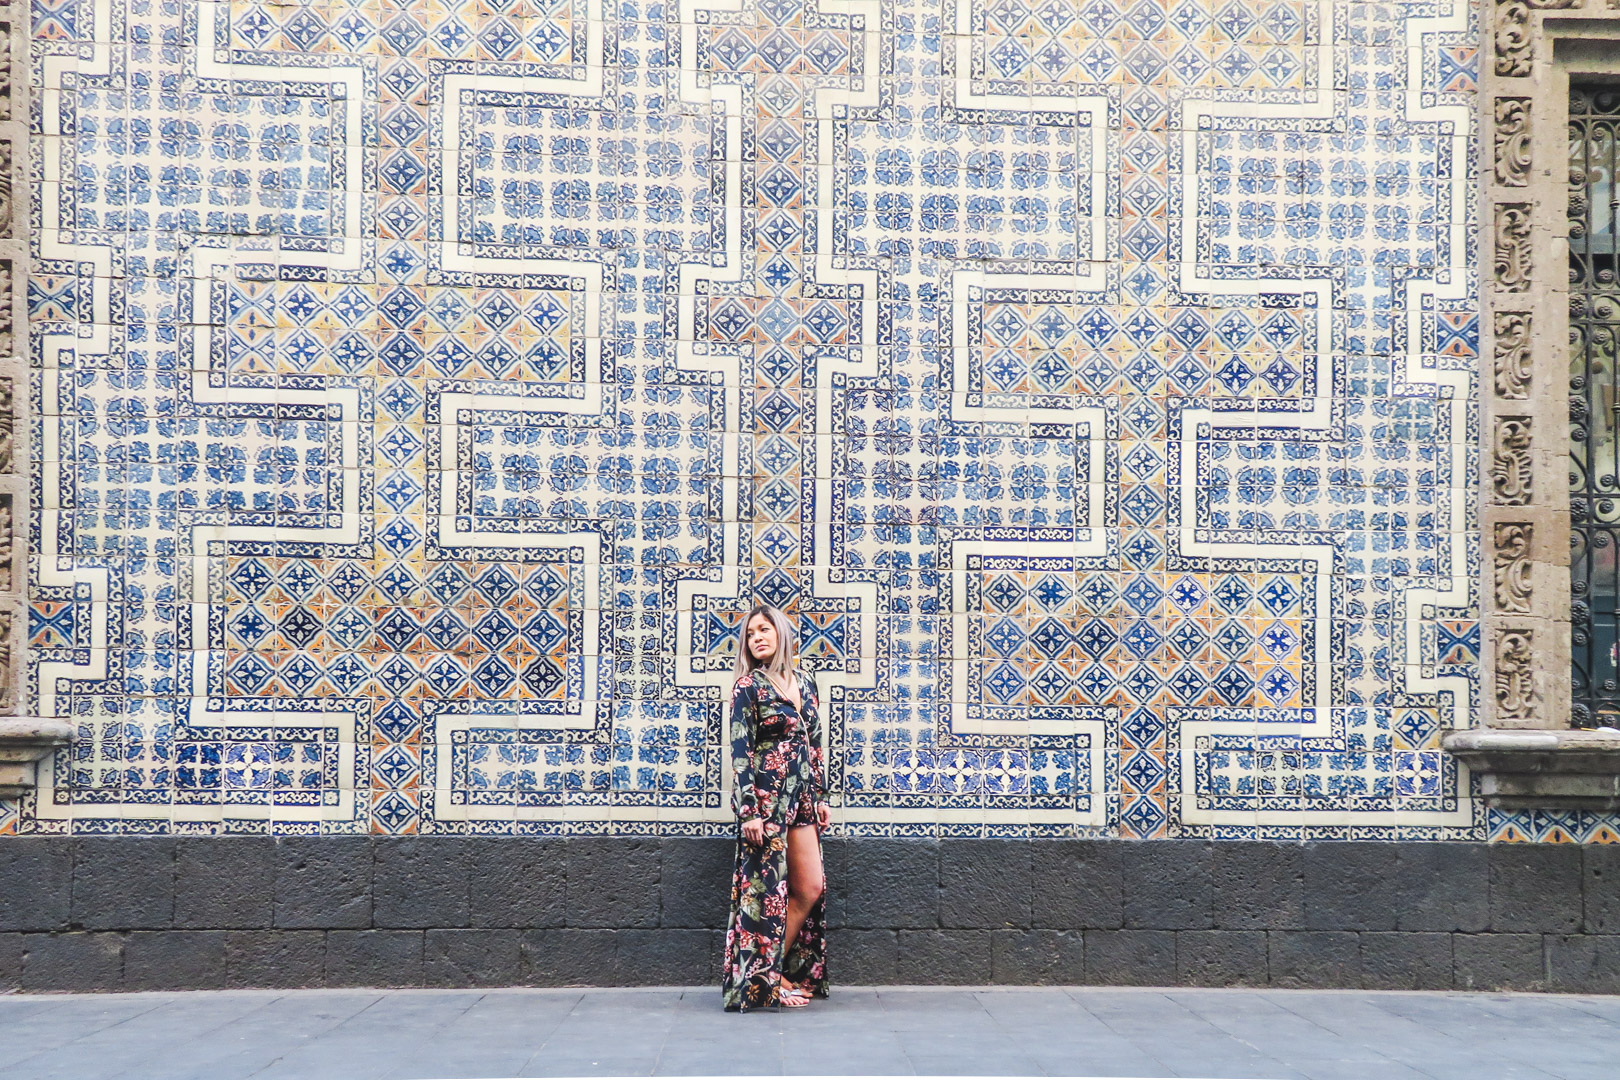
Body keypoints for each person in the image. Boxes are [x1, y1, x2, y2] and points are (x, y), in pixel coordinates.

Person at [720, 603, 830, 1011]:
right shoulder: (747, 687)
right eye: (751, 634)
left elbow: (815, 745)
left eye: (764, 630)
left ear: (782, 634)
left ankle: (772, 970)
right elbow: (740, 751)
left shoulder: (807, 682)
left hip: (801, 799)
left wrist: (820, 796)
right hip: (765, 804)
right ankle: (768, 981)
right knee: (767, 896)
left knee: (809, 887)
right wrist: (748, 810)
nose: (757, 638)